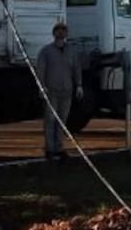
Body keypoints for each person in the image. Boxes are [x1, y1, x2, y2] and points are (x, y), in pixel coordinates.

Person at [36, 22, 83, 159]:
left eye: (63, 30)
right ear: (54, 33)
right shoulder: (46, 51)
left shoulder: (72, 51)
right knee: (50, 119)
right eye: (58, 30)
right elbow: (41, 69)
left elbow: (76, 69)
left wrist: (79, 85)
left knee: (62, 120)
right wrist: (42, 86)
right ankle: (50, 149)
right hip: (51, 91)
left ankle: (59, 147)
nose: (61, 33)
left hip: (67, 90)